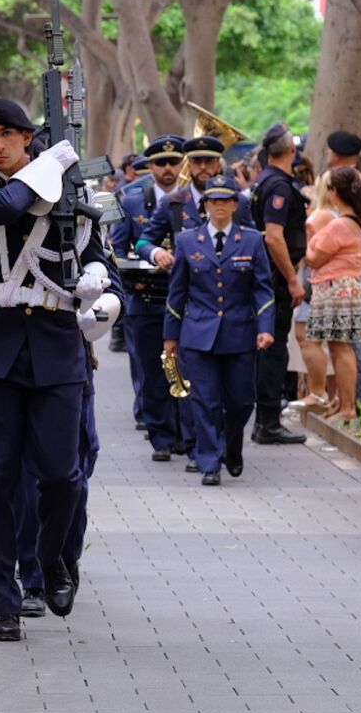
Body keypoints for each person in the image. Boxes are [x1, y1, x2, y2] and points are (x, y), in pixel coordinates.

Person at [0, 98, 104, 641]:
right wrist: (49, 166)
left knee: (63, 474)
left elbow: (95, 248)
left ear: (25, 136)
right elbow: (2, 210)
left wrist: (94, 276)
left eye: (5, 135)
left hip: (57, 345)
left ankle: (53, 560)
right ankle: (5, 604)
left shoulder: (71, 186)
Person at [163, 174, 275, 487]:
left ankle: (233, 445)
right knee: (204, 400)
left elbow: (263, 289)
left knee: (241, 402)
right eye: (214, 201)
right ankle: (209, 460)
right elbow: (177, 293)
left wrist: (266, 327)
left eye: (226, 200)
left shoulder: (252, 240)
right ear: (206, 205)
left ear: (235, 204)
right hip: (197, 335)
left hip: (240, 333)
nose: (220, 206)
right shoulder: (187, 241)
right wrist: (170, 336)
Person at [114, 135, 189, 462]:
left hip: (188, 302)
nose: (168, 169)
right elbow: (115, 251)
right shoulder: (131, 201)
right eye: (161, 163)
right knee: (151, 369)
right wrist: (134, 278)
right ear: (151, 166)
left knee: (187, 368)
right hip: (147, 297)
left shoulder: (195, 201)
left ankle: (187, 434)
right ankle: (160, 437)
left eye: (174, 162)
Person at [251, 123, 307, 444]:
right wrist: (292, 280)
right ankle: (268, 423)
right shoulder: (280, 187)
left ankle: (264, 420)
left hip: (268, 276)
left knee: (270, 347)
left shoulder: (264, 181)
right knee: (273, 349)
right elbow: (274, 237)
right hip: (275, 278)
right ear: (291, 151)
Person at [305, 168, 361, 423]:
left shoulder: (339, 224)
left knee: (341, 348)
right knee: (339, 347)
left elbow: (314, 258)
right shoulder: (360, 219)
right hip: (349, 287)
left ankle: (348, 408)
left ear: (335, 192)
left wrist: (310, 239)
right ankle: (343, 404)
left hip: (337, 290)